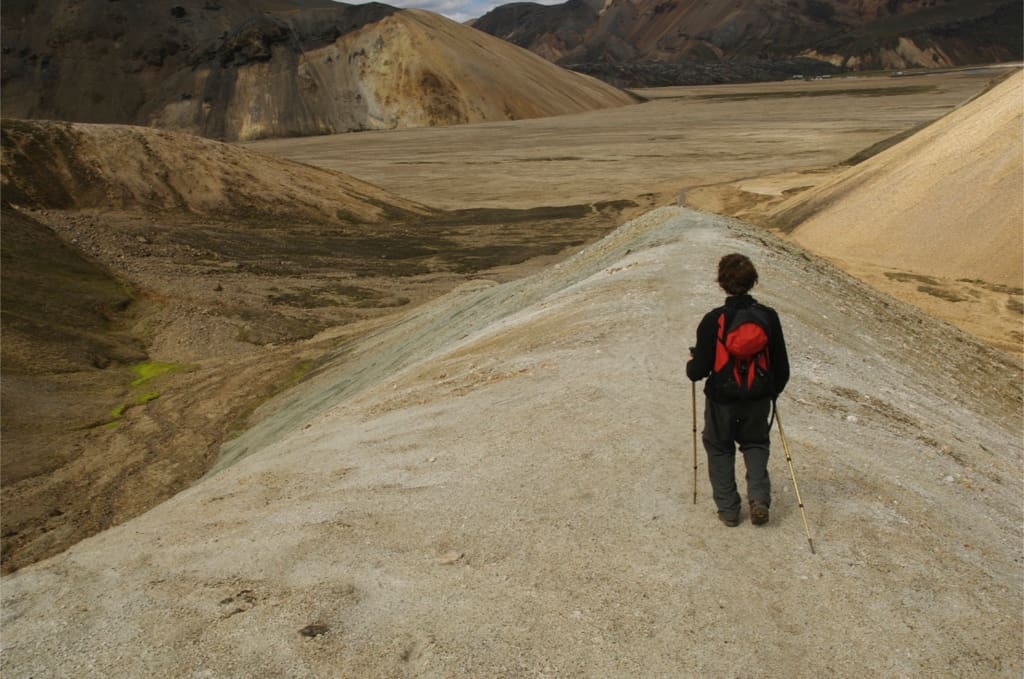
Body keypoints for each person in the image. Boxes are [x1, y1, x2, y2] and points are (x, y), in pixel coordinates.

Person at [686, 253, 789, 527]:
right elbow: (782, 366)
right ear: (752, 281)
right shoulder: (768, 317)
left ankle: (729, 510)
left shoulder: (713, 320)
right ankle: (758, 498)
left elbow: (698, 371)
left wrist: (691, 365)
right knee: (755, 443)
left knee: (719, 447)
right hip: (758, 397)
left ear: (722, 283)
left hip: (721, 400)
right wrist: (771, 391)